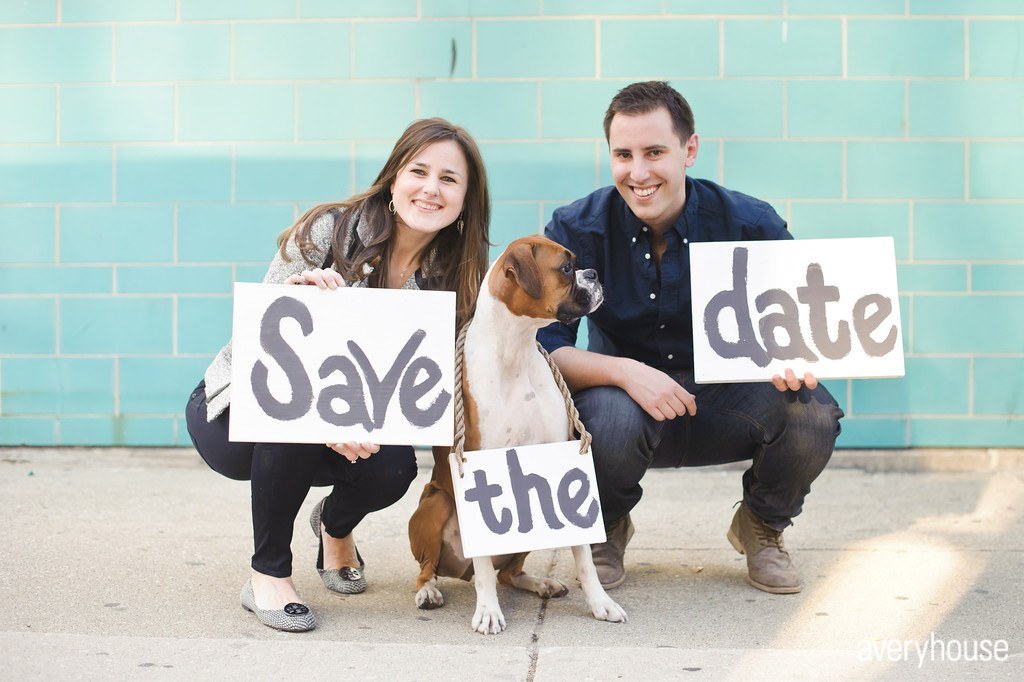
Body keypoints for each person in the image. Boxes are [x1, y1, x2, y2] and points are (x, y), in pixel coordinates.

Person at [537, 81, 844, 595]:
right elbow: (542, 345)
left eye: (655, 152)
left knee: (811, 411)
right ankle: (605, 526)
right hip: (623, 409)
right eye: (623, 154)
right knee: (605, 417)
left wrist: (794, 358)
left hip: (725, 402)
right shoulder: (578, 228)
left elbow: (797, 329)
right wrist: (627, 372)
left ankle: (762, 527)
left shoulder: (750, 223)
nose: (638, 172)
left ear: (689, 150)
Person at [185, 117, 491, 631]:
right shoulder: (329, 228)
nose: (431, 189)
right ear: (395, 178)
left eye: (449, 179)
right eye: (419, 171)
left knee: (393, 471)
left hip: (358, 420)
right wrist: (302, 297)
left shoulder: (460, 271)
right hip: (242, 408)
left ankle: (334, 527)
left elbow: (435, 379)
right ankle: (268, 574)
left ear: (466, 197)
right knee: (296, 424)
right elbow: (263, 354)